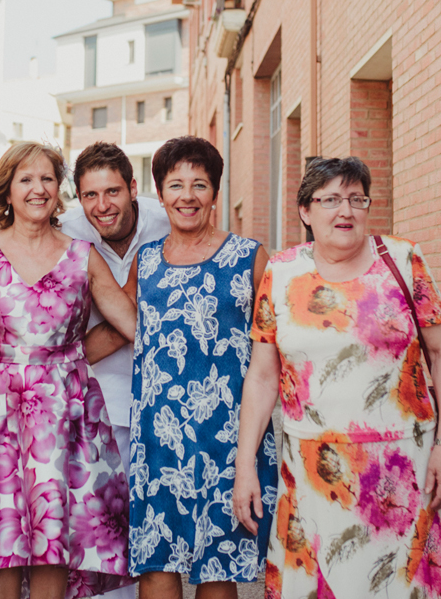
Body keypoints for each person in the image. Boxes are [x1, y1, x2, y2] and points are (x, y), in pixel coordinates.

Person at [233, 156, 441, 599]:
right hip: (310, 477)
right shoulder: (280, 273)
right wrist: (245, 467)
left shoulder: (402, 258)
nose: (346, 211)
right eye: (332, 199)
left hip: (403, 470)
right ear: (305, 210)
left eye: (357, 199)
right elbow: (262, 377)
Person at [0, 142, 138, 599]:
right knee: (1, 535)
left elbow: (133, 325)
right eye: (26, 179)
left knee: (54, 537)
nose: (38, 189)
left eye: (47, 178)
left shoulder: (82, 255)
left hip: (65, 412)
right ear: (7, 191)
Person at [123, 136, 276, 599]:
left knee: (216, 571)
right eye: (175, 185)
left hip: (229, 437)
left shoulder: (250, 257)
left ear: (215, 192)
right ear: (159, 192)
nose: (187, 196)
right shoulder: (145, 261)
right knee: (156, 563)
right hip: (158, 440)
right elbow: (121, 326)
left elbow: (274, 351)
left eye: (199, 184)